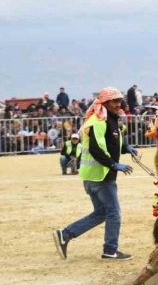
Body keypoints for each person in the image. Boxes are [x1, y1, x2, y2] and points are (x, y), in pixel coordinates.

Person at [52, 87, 138, 260]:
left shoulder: (109, 121)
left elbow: (110, 143)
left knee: (101, 213)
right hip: (101, 176)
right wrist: (114, 164)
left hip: (93, 176)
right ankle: (110, 250)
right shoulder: (98, 121)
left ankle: (65, 234)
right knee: (114, 213)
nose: (118, 104)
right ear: (104, 103)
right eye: (114, 101)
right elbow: (96, 148)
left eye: (119, 101)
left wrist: (125, 148)